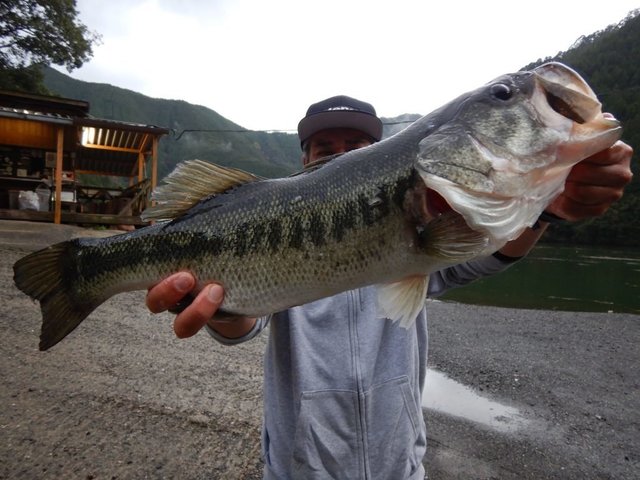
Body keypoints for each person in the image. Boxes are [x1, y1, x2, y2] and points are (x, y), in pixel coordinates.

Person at [146, 95, 633, 479]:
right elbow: (243, 326)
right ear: (303, 161)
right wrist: (221, 309)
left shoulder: (415, 241)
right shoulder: (278, 231)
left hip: (398, 469)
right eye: (324, 149)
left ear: (380, 153)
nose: (341, 155)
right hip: (298, 471)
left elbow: (488, 256)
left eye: (356, 146)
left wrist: (547, 205)